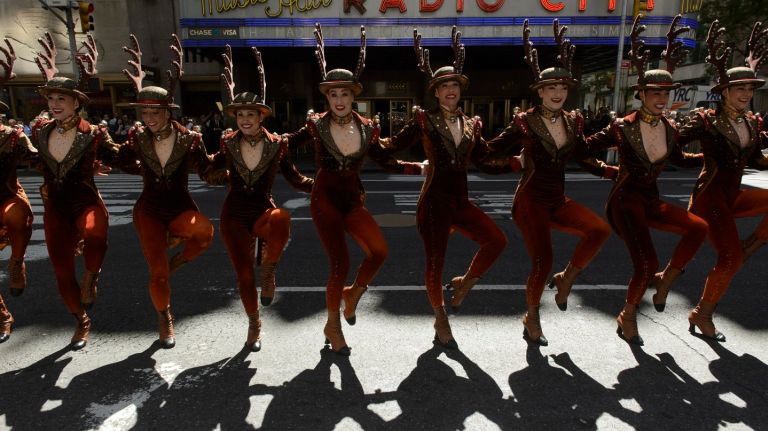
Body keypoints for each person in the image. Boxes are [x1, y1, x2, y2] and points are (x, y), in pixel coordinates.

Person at [485, 20, 613, 346]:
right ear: (539, 92)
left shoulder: (574, 121)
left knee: (599, 230)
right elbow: (489, 151)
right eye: (551, 88)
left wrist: (611, 171)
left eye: (563, 88)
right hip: (530, 202)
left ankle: (567, 277)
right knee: (542, 261)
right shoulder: (524, 123)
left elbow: (583, 155)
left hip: (558, 200)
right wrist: (508, 163)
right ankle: (532, 316)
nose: (558, 93)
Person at [383, 27, 509, 349]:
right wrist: (368, 141)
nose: (450, 90)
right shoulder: (424, 120)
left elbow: (484, 159)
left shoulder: (471, 124)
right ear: (435, 92)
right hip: (434, 203)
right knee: (434, 263)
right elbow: (390, 146)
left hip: (461, 202)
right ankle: (441, 319)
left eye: (454, 84)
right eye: (444, 86)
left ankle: (465, 283)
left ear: (460, 89)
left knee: (496, 240)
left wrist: (518, 161)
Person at [586, 16, 709, 345]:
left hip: (650, 199)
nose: (661, 98)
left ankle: (666, 278)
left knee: (698, 227)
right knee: (645, 261)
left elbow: (680, 160)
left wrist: (708, 159)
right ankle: (627, 315)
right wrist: (603, 169)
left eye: (665, 93)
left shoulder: (671, 128)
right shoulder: (622, 126)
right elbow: (581, 148)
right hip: (625, 202)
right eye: (654, 92)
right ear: (641, 93)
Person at [283, 25, 398, 355]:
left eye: (344, 93)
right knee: (339, 263)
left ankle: (354, 293)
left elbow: (384, 158)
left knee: (379, 251)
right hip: (325, 201)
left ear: (353, 96)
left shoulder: (366, 127)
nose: (338, 99)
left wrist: (416, 167)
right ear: (327, 97)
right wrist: (300, 182)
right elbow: (281, 148)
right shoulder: (315, 125)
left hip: (352, 199)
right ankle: (333, 324)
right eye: (332, 94)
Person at [203, 46, 313, 351]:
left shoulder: (278, 146)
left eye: (251, 114)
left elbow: (295, 178)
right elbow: (209, 170)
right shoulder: (227, 143)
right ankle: (254, 324)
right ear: (235, 117)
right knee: (242, 275)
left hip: (263, 210)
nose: (245, 119)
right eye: (240, 115)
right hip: (233, 215)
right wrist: (204, 165)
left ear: (261, 116)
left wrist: (323, 188)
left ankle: (269, 269)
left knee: (282, 219)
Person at [116, 34, 214, 349]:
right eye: (144, 114)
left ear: (167, 111)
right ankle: (165, 317)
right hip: (149, 210)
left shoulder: (190, 139)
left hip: (181, 206)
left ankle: (178, 260)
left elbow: (207, 169)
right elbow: (120, 160)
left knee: (205, 235)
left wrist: (232, 164)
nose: (149, 118)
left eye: (154, 112)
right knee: (157, 274)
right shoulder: (137, 137)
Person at [677, 20, 768, 341]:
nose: (745, 94)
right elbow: (673, 141)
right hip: (710, 199)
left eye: (750, 89)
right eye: (739, 88)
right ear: (725, 92)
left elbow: (756, 160)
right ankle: (702, 314)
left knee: (735, 256)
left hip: (733, 197)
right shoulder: (708, 120)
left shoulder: (753, 124)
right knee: (729, 261)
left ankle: (750, 246)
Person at [30, 33, 119, 350]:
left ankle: (92, 276)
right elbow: (32, 159)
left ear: (76, 103)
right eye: (51, 99)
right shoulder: (40, 130)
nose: (54, 104)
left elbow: (119, 156)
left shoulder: (93, 133)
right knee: (60, 271)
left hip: (85, 202)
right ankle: (81, 321)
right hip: (55, 208)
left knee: (97, 234)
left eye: (61, 100)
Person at [0, 39, 38, 344]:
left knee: (18, 216)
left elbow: (39, 158)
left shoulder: (12, 137)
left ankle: (17, 261)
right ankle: (3, 317)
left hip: (9, 198)